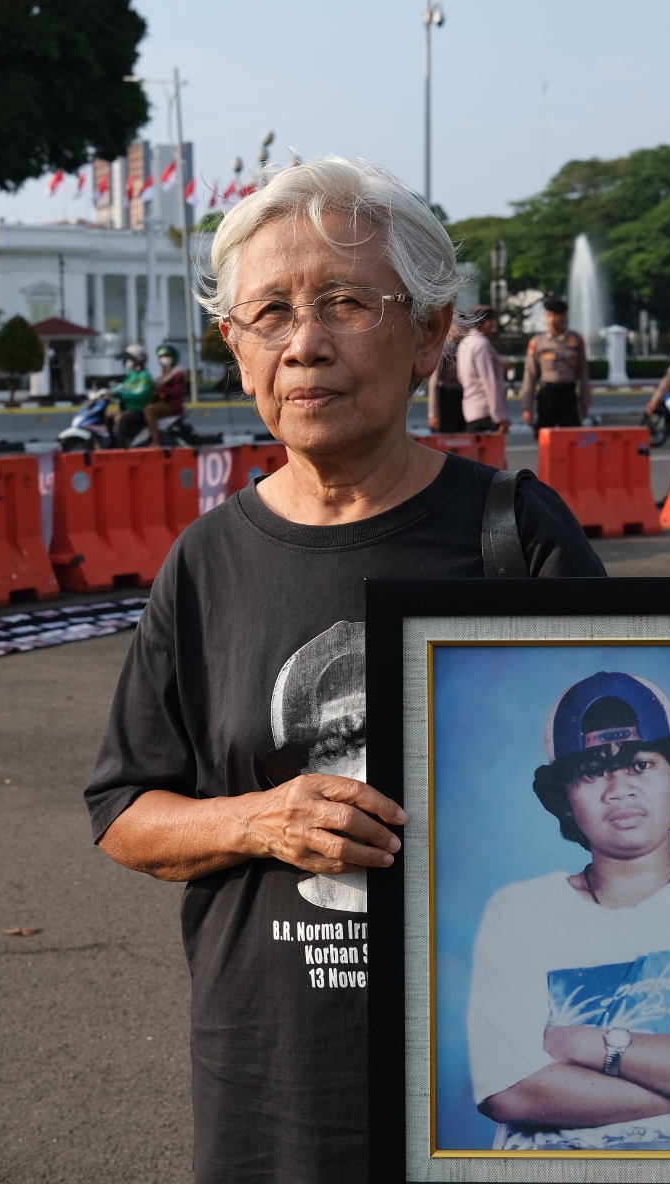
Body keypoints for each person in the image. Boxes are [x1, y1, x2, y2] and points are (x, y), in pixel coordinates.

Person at [84, 155, 605, 1184]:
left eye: (344, 302)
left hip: (501, 1072)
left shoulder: (516, 534)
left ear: (427, 334)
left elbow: (651, 803)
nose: (304, 343)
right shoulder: (207, 562)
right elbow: (124, 809)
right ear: (234, 346)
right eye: (268, 313)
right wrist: (255, 817)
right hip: (272, 1085)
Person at [469, 672, 670, 1152]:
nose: (618, 790)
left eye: (641, 765)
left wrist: (593, 1044)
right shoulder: (519, 912)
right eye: (591, 772)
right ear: (565, 799)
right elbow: (510, 1091)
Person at [520, 296, 591, 430]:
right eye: (549, 315)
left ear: (564, 316)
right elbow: (530, 375)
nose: (552, 320)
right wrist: (527, 407)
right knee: (545, 436)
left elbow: (583, 373)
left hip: (568, 394)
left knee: (571, 435)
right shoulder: (538, 341)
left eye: (556, 315)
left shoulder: (575, 340)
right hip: (547, 394)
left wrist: (585, 403)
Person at [456, 304, 510, 434]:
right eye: (492, 322)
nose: (494, 327)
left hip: (471, 410)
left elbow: (461, 377)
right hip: (486, 411)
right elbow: (490, 382)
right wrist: (500, 416)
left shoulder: (465, 343)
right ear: (487, 323)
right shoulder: (482, 345)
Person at [144, 343, 190, 446]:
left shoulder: (178, 373)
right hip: (163, 403)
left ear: (173, 357)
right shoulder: (163, 373)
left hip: (172, 406)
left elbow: (176, 392)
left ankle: (155, 439)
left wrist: (162, 389)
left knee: (149, 410)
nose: (164, 359)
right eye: (161, 357)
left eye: (167, 356)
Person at [110, 342, 155, 446]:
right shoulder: (133, 374)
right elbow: (123, 387)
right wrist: (110, 391)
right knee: (107, 417)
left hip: (139, 410)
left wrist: (122, 395)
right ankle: (110, 444)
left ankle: (122, 446)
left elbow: (141, 393)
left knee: (120, 418)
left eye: (129, 359)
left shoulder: (144, 375)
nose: (127, 361)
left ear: (137, 359)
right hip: (129, 408)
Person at [427, 325, 468, 433]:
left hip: (461, 397)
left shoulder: (464, 347)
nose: (462, 330)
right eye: (458, 326)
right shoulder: (445, 348)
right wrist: (434, 414)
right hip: (447, 398)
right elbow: (434, 383)